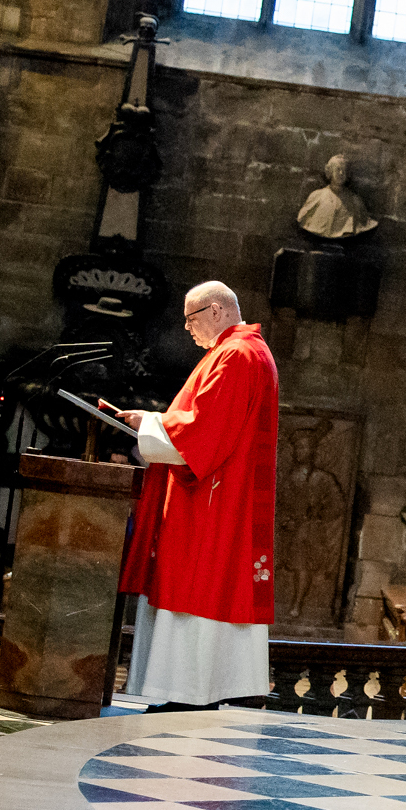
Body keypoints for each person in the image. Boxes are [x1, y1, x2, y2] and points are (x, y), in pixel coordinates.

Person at [116, 282, 281, 711]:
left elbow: (205, 431)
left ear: (216, 311)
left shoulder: (237, 355)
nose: (187, 329)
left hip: (210, 501)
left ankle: (187, 694)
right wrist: (154, 421)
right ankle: (187, 693)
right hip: (220, 496)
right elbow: (201, 420)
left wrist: (151, 425)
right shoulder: (242, 351)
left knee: (197, 587)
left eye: (190, 319)